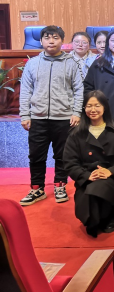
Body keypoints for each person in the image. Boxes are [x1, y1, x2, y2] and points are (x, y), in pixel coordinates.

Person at [19, 25, 83, 206]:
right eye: (47, 37)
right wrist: (25, 114)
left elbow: (79, 90)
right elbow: (25, 90)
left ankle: (60, 185)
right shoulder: (32, 63)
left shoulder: (71, 63)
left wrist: (76, 112)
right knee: (36, 155)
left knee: (62, 155)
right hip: (37, 118)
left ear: (62, 41)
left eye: (55, 37)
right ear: (41, 41)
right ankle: (37, 188)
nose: (51, 41)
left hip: (64, 118)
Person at [63, 90, 114, 237]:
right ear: (84, 108)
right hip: (86, 177)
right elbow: (69, 162)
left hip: (111, 177)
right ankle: (109, 213)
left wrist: (110, 171)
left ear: (104, 107)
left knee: (96, 191)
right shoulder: (76, 134)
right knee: (85, 204)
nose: (93, 109)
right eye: (89, 106)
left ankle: (107, 217)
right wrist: (86, 175)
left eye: (97, 105)